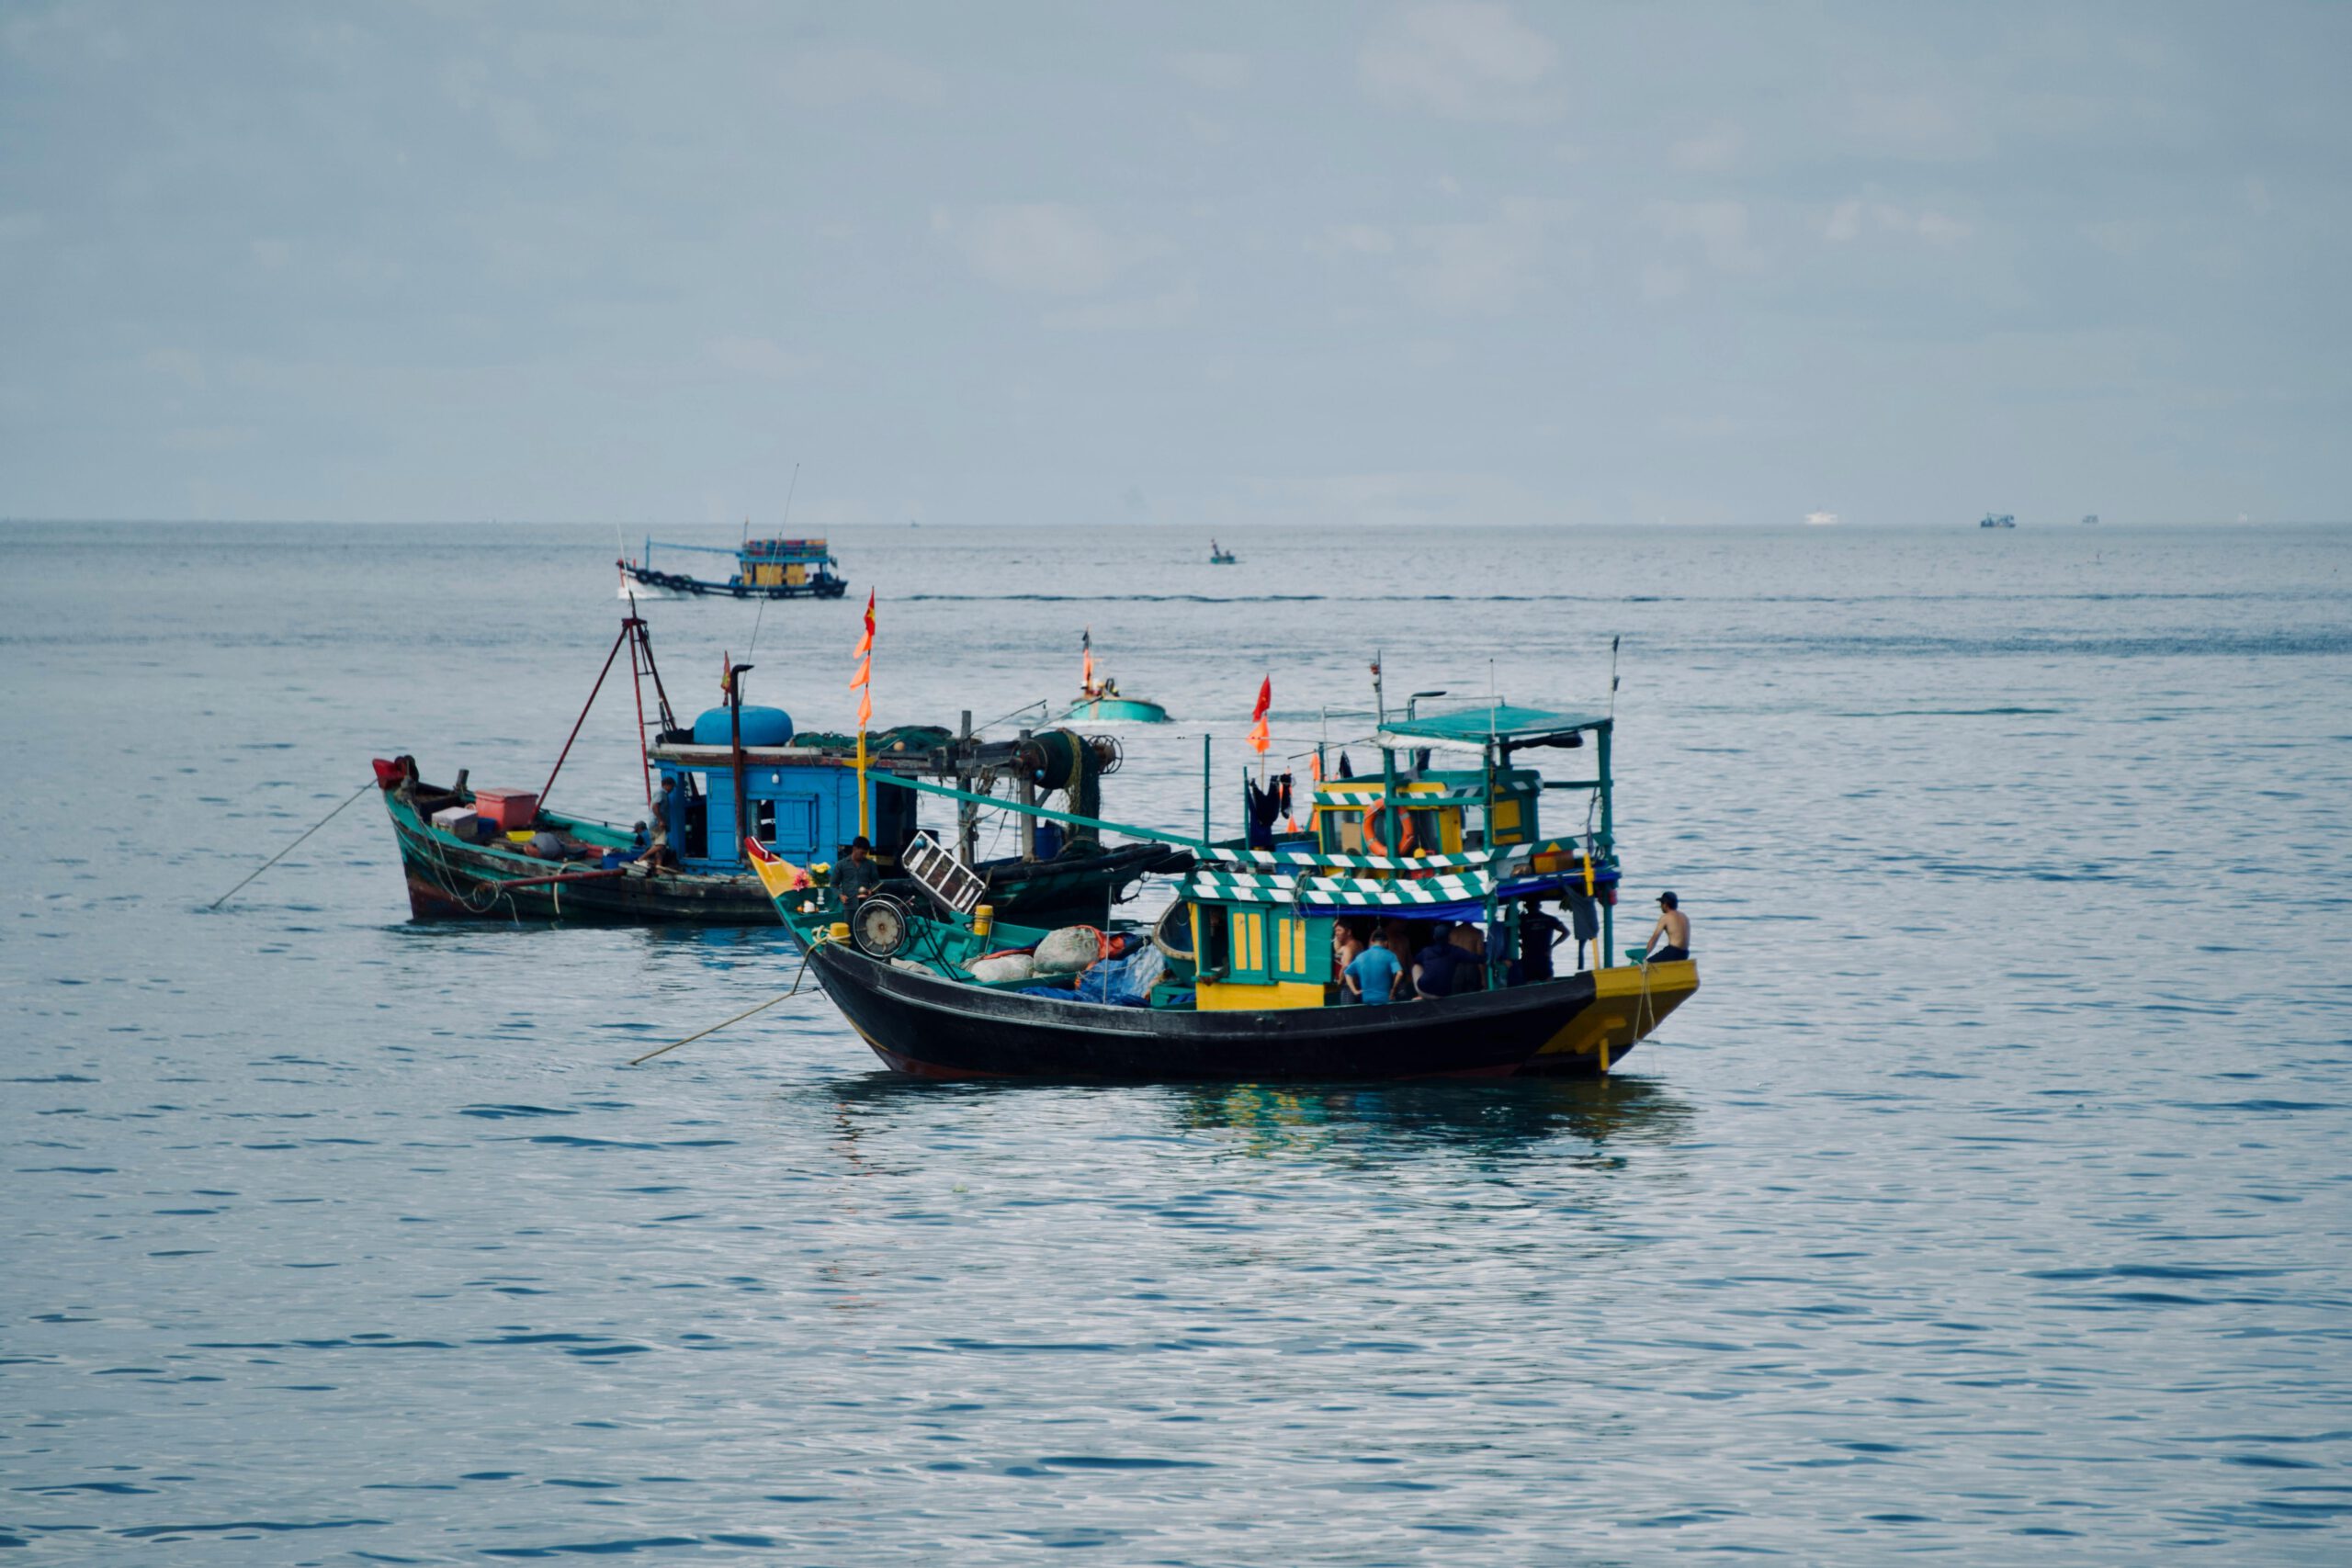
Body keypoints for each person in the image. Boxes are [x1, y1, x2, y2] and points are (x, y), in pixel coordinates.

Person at [1344, 929, 1402, 1005]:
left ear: (1373, 942)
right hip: (1385, 999)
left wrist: (1355, 991)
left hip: (1367, 1000)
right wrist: (1393, 991)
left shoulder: (1361, 956)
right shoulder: (1390, 955)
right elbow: (1400, 973)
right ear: (1386, 942)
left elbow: (1347, 973)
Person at [1518, 897, 1566, 983]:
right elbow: (1566, 932)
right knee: (1549, 983)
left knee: (1530, 985)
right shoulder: (1549, 919)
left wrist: (1520, 945)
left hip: (1529, 957)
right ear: (1539, 906)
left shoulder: (1522, 920)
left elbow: (1511, 935)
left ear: (1526, 907)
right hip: (1544, 955)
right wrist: (1552, 947)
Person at [1645, 891, 1691, 963]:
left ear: (1665, 905)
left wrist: (1644, 956)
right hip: (1685, 953)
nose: (1660, 906)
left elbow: (1654, 939)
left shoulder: (1666, 917)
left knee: (1647, 964)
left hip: (1673, 952)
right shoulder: (1684, 916)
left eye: (1661, 904)